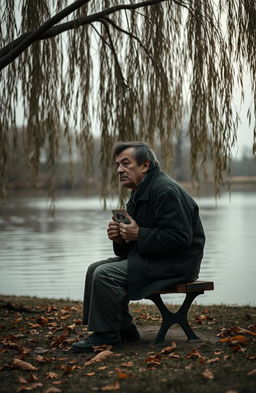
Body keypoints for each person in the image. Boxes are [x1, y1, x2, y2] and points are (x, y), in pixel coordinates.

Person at [72, 141, 205, 352]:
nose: (119, 170)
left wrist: (138, 233)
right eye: (117, 165)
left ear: (145, 165)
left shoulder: (165, 190)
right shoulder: (138, 192)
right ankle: (125, 329)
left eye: (126, 163)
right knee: (94, 269)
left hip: (178, 264)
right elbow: (136, 243)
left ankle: (106, 337)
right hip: (155, 259)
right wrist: (121, 239)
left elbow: (180, 238)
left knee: (105, 274)